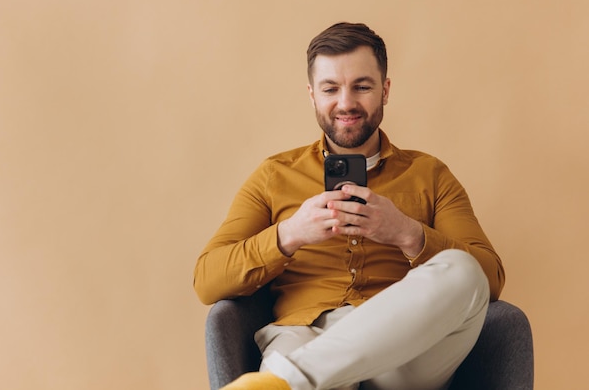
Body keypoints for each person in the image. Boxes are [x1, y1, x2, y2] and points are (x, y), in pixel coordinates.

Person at [194, 22, 505, 390]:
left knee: (463, 269)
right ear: (312, 95)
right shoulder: (274, 175)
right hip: (303, 334)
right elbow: (207, 280)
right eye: (331, 89)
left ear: (385, 90)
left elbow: (488, 279)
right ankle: (297, 377)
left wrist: (407, 234)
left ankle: (286, 382)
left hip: (404, 353)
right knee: (303, 357)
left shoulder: (430, 175)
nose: (346, 103)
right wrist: (290, 234)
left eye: (362, 86)